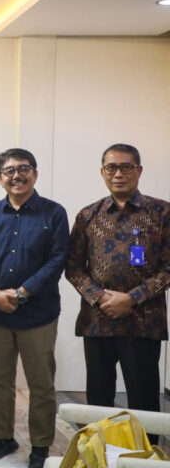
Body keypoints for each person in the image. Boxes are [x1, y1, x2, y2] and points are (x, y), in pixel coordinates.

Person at [66, 143, 170, 444]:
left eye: (126, 167)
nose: (118, 173)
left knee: (144, 397)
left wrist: (132, 298)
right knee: (98, 397)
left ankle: (145, 455)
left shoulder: (162, 212)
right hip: (98, 321)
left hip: (143, 321)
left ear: (138, 170)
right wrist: (100, 297)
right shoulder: (88, 215)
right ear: (102, 173)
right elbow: (73, 267)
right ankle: (99, 454)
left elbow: (168, 268)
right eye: (111, 167)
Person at [0, 149, 69, 468]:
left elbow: (58, 259)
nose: (17, 175)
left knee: (40, 383)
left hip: (39, 314)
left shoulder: (54, 213)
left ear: (35, 173)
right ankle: (2, 437)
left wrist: (22, 292)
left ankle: (41, 444)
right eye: (9, 170)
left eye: (23, 168)